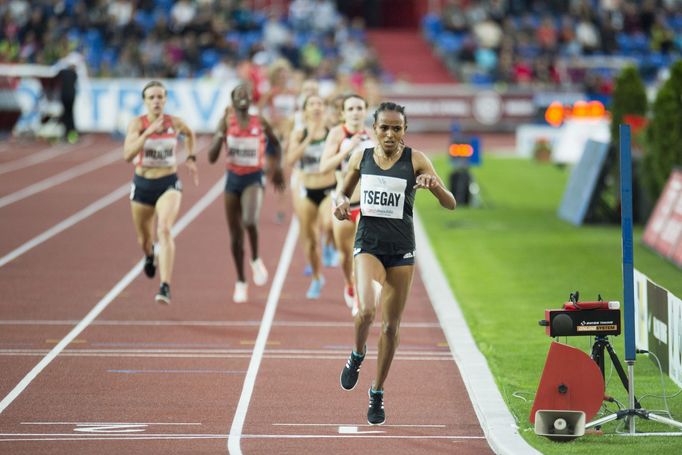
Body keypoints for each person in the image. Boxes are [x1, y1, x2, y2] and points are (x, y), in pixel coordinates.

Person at [334, 102, 456, 425]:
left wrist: (435, 186)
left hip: (402, 252)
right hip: (369, 246)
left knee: (390, 326)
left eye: (396, 128)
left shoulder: (416, 159)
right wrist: (341, 203)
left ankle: (377, 391)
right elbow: (341, 193)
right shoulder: (360, 157)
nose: (389, 134)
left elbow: (451, 203)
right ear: (374, 129)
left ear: (405, 131)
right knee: (366, 311)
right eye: (384, 128)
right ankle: (357, 354)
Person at [208, 83, 285, 303]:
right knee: (235, 237)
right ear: (232, 100)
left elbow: (277, 145)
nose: (242, 96)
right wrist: (220, 133)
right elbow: (212, 158)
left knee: (250, 221)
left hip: (253, 178)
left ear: (251, 99)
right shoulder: (226, 122)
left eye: (246, 93)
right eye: (238, 94)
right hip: (232, 181)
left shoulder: (260, 121)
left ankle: (255, 258)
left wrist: (277, 168)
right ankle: (241, 280)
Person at [122, 80, 199, 304]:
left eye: (160, 97)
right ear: (145, 102)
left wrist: (191, 158)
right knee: (144, 239)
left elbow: (190, 134)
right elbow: (127, 155)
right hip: (143, 185)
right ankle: (149, 256)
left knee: (164, 229)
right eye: (152, 98)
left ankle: (165, 286)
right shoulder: (137, 124)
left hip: (168, 183)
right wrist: (147, 134)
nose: (156, 101)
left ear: (165, 100)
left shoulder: (174, 123)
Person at [319, 94, 374, 314]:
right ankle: (349, 284)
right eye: (350, 109)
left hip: (366, 204)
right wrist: (347, 148)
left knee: (361, 254)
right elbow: (324, 166)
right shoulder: (336, 134)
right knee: (344, 255)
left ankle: (360, 299)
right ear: (343, 113)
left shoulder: (373, 135)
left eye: (359, 108)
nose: (355, 112)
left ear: (366, 110)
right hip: (342, 205)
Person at [286, 94, 336, 299]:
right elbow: (290, 159)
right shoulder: (299, 133)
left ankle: (329, 246)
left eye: (320, 103)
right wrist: (308, 137)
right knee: (309, 239)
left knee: (329, 223)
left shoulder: (332, 132)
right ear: (305, 110)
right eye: (312, 104)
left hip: (328, 188)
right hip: (307, 190)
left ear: (324, 108)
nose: (316, 107)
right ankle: (316, 278)